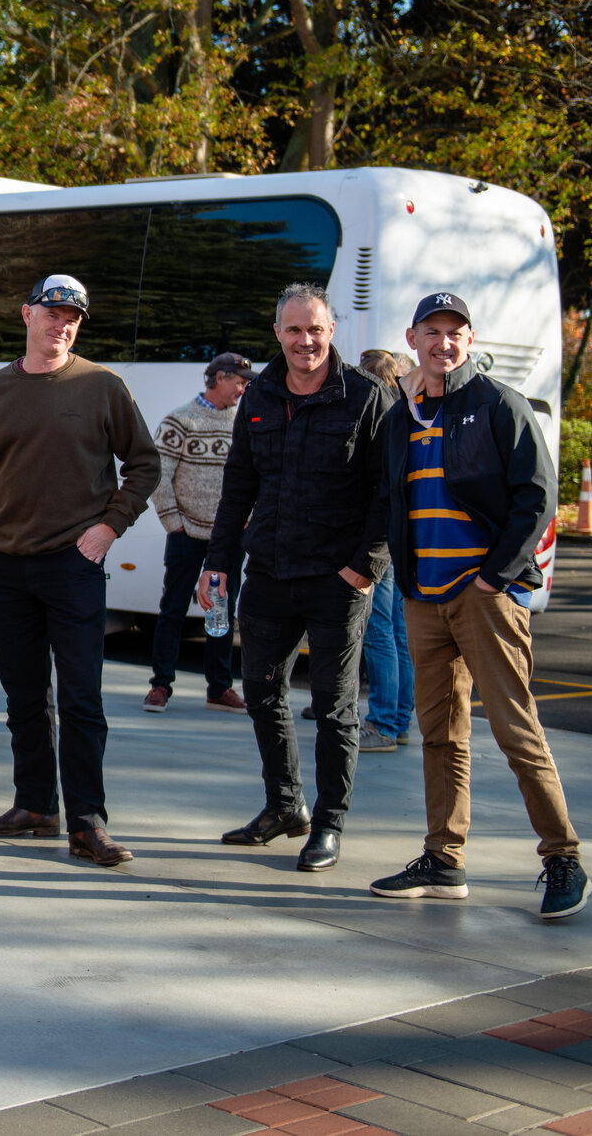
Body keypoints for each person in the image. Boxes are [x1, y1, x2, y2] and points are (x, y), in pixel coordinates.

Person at [369, 292, 588, 920]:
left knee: (517, 730)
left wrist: (494, 578)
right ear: (412, 339)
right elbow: (389, 502)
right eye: (432, 332)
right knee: (440, 736)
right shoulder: (401, 418)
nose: (444, 343)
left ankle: (564, 858)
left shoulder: (498, 403)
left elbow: (537, 497)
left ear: (470, 340)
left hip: (484, 597)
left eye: (455, 332)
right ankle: (443, 859)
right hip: (423, 597)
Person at [0, 274, 158, 867]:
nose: (62, 325)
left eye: (72, 318)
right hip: (4, 567)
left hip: (74, 566)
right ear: (28, 315)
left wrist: (108, 528)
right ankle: (35, 807)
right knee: (24, 697)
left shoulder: (102, 386)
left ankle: (88, 823)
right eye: (53, 313)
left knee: (81, 700)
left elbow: (144, 465)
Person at [200, 285, 391, 874]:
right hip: (269, 573)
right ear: (278, 333)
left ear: (331, 330)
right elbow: (239, 485)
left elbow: (389, 492)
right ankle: (285, 806)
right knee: (261, 693)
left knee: (334, 708)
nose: (305, 341)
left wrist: (365, 566)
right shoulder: (259, 394)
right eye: (293, 330)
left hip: (338, 580)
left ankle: (328, 825)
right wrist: (218, 562)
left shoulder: (366, 396)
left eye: (315, 329)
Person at [145, 353, 253, 715]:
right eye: (239, 381)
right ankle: (160, 685)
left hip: (228, 538)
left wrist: (249, 517)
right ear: (219, 378)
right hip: (185, 533)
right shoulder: (180, 421)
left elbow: (256, 474)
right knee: (173, 609)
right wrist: (174, 523)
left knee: (221, 612)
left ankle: (219, 688)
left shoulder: (243, 424)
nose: (243, 389)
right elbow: (159, 475)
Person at [355, 349, 414, 753]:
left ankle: (382, 724)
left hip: (377, 536)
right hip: (400, 536)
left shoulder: (376, 414)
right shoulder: (406, 411)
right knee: (397, 633)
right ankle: (400, 720)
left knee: (378, 633)